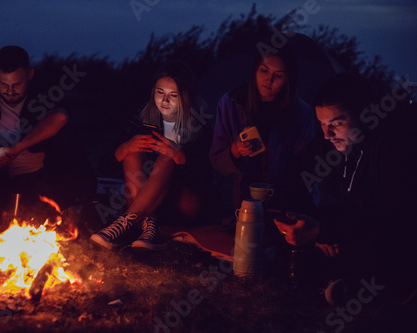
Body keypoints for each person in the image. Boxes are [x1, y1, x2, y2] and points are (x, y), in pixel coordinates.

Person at [272, 73, 417, 303]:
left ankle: (378, 286)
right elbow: (291, 178)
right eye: (322, 124)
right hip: (355, 223)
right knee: (286, 226)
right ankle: (334, 277)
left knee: (371, 248)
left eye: (337, 123)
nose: (327, 134)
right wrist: (310, 224)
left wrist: (322, 231)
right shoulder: (328, 144)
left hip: (393, 231)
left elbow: (388, 216)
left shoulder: (390, 144)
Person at [91, 61, 216, 251]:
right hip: (148, 204)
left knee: (166, 156)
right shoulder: (142, 119)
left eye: (173, 95)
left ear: (185, 95)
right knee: (132, 151)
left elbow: (206, 178)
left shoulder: (198, 124)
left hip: (184, 204)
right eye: (160, 92)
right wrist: (124, 148)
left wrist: (179, 157)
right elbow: (103, 166)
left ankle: (125, 223)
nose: (165, 101)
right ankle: (150, 228)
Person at [0, 46, 96, 218]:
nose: (9, 91)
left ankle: (76, 201)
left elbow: (60, 116)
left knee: (65, 133)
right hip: (4, 178)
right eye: (3, 84)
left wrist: (16, 149)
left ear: (29, 75)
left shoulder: (42, 97)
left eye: (16, 84)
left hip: (44, 177)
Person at [209, 42, 317, 215]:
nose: (269, 80)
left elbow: (309, 167)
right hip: (244, 204)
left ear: (288, 79)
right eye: (264, 70)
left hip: (287, 204)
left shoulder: (301, 112)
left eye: (279, 75)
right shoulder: (231, 103)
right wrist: (235, 149)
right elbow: (216, 162)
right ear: (255, 70)